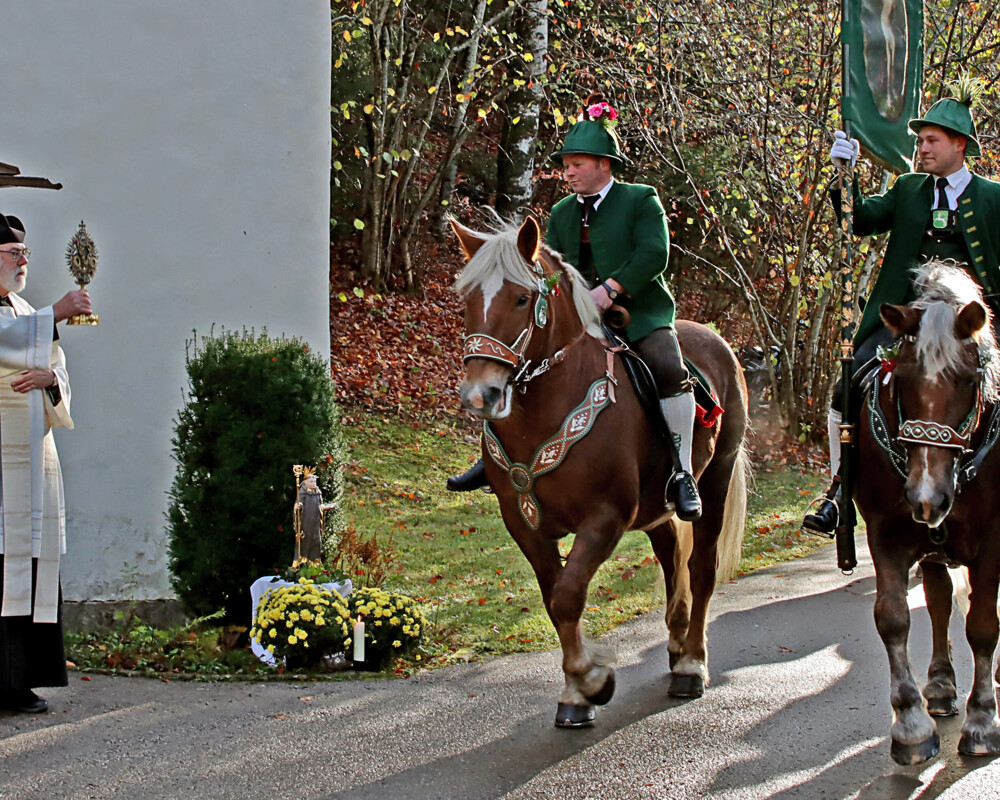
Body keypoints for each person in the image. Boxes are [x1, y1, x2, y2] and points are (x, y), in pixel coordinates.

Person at [448, 98, 702, 521]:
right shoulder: (563, 212)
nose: (568, 172)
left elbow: (655, 252)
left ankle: (683, 474)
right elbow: (553, 269)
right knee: (514, 359)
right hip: (581, 321)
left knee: (669, 367)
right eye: (565, 165)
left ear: (604, 164)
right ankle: (491, 460)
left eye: (576, 164)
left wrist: (613, 288)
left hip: (639, 317)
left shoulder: (641, 200)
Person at [803, 90, 1000, 536]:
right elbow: (860, 220)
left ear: (959, 145)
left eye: (932, 140)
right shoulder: (908, 189)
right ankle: (839, 489)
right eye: (921, 141)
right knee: (846, 388)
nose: (923, 149)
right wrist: (843, 178)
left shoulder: (992, 198)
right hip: (908, 322)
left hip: (975, 325)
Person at [0, 213, 91, 713]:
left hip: (32, 461)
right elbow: (9, 342)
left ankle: (19, 680)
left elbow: (54, 368)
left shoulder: (23, 308)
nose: (23, 262)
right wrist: (55, 312)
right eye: (14, 254)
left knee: (29, 566)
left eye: (25, 254)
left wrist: (49, 382)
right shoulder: (33, 314)